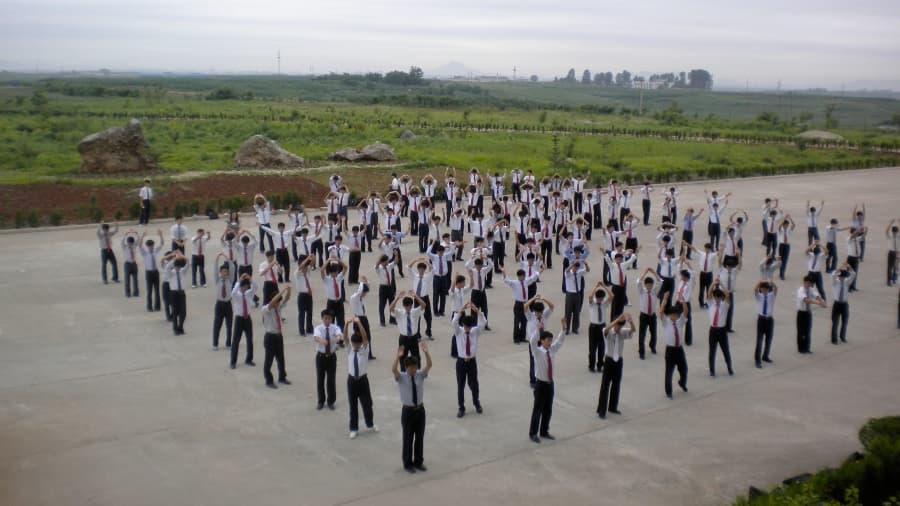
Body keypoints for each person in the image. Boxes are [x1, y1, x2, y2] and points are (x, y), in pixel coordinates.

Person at [393, 341, 432, 473]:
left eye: (415, 367)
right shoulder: (402, 377)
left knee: (419, 438)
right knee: (408, 438)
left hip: (420, 410)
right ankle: (407, 463)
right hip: (408, 411)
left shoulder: (420, 375)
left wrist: (426, 352)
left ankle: (418, 462)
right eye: (410, 368)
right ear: (406, 368)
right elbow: (393, 370)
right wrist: (398, 357)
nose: (413, 370)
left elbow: (429, 365)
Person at [528, 317, 567, 443]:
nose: (550, 342)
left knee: (548, 409)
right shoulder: (537, 352)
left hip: (550, 384)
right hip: (540, 384)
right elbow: (532, 342)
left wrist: (563, 328)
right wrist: (537, 331)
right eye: (548, 340)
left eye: (551, 340)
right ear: (542, 341)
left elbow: (560, 341)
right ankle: (533, 433)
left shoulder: (552, 350)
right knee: (537, 409)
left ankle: (544, 431)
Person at [451, 304, 486, 418]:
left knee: (474, 384)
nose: (467, 329)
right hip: (461, 362)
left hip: (471, 362)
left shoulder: (475, 331)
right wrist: (460, 311)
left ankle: (477, 403)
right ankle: (461, 407)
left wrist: (478, 312)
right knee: (460, 385)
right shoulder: (458, 331)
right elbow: (454, 322)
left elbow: (483, 323)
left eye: (469, 327)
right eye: (466, 326)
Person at [344, 318, 377, 439]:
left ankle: (370, 423)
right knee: (353, 406)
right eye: (354, 344)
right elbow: (345, 338)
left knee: (367, 403)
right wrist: (346, 324)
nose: (355, 345)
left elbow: (365, 336)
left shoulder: (364, 350)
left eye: (357, 343)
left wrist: (358, 323)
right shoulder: (350, 350)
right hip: (352, 380)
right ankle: (353, 428)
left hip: (363, 379)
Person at [597, 312, 633, 419]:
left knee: (616, 384)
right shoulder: (609, 332)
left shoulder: (622, 332)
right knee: (605, 386)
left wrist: (630, 322)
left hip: (619, 361)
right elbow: (606, 329)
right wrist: (616, 320)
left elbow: (633, 331)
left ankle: (613, 406)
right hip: (609, 360)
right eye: (618, 325)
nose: (619, 328)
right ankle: (601, 410)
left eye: (620, 326)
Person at [261, 285, 291, 388]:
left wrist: (288, 290)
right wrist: (282, 291)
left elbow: (286, 299)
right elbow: (273, 302)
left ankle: (282, 377)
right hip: (270, 336)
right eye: (277, 301)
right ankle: (269, 380)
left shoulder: (278, 307)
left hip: (278, 335)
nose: (278, 304)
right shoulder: (266, 309)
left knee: (280, 358)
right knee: (269, 360)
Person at [660, 293, 689, 399]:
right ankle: (669, 392)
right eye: (672, 315)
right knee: (669, 372)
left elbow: (686, 312)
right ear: (669, 315)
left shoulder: (679, 322)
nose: (674, 316)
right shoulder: (666, 322)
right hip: (670, 350)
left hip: (679, 349)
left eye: (676, 315)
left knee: (684, 369)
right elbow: (661, 312)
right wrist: (664, 299)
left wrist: (684, 301)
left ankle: (682, 382)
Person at [313, 309, 343, 410]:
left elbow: (339, 334)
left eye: (329, 318)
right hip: (321, 357)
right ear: (322, 318)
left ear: (331, 319)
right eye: (325, 318)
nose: (327, 320)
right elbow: (316, 337)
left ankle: (331, 401)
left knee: (331, 379)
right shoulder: (318, 328)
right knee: (320, 380)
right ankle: (321, 401)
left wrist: (338, 338)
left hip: (331, 357)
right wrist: (322, 340)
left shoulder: (334, 327)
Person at [503, 266, 541, 344]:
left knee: (524, 321)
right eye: (523, 276)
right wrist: (503, 272)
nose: (524, 277)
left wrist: (541, 270)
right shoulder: (514, 283)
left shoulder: (526, 281)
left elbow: (533, 278)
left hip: (525, 303)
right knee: (517, 321)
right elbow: (507, 281)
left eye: (524, 275)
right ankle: (516, 338)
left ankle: (522, 337)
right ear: (519, 276)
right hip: (518, 304)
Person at [230, 273, 257, 369]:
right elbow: (232, 293)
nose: (245, 288)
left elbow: (255, 287)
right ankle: (233, 361)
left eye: (246, 286)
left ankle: (249, 359)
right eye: (244, 286)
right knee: (236, 341)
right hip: (239, 318)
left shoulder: (249, 293)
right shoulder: (237, 295)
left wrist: (250, 279)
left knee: (249, 339)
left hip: (247, 318)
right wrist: (239, 281)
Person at [391, 291, 427, 360]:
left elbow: (424, 305)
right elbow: (391, 308)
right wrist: (397, 298)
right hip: (403, 338)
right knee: (402, 357)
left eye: (410, 306)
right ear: (404, 306)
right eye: (407, 306)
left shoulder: (415, 312)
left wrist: (416, 296)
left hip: (413, 337)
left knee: (416, 356)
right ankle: (403, 370)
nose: (408, 308)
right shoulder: (399, 313)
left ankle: (417, 369)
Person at [706, 282, 733, 377]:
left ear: (721, 298)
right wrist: (713, 283)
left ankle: (729, 367)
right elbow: (709, 293)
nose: (717, 299)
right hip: (713, 329)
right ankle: (712, 370)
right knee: (712, 351)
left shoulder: (724, 305)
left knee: (725, 350)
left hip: (722, 330)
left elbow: (727, 295)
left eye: (718, 297)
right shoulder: (711, 304)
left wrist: (721, 283)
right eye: (715, 297)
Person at [796, 275, 826, 354]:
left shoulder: (811, 289)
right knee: (801, 331)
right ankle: (801, 348)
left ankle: (807, 348)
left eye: (811, 283)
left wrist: (821, 301)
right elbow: (806, 300)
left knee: (808, 331)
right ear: (805, 282)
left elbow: (816, 295)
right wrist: (818, 303)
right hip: (801, 313)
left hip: (808, 312)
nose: (809, 285)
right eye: (808, 283)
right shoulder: (801, 290)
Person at [587, 282, 613, 372]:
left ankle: (600, 365)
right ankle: (591, 365)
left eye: (602, 299)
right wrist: (596, 286)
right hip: (593, 327)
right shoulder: (592, 303)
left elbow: (611, 296)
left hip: (602, 326)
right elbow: (590, 297)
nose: (600, 300)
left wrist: (604, 287)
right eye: (599, 298)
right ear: (596, 297)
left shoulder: (604, 303)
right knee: (592, 348)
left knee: (602, 348)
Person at [636, 269, 662, 359]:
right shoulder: (642, 291)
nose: (649, 287)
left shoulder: (654, 291)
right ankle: (641, 352)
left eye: (651, 285)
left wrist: (654, 273)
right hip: (644, 315)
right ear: (645, 285)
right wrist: (645, 272)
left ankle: (652, 346)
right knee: (642, 335)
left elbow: (660, 282)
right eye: (648, 285)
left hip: (652, 315)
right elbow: (639, 282)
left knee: (653, 333)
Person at [753, 279, 778, 368]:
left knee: (769, 339)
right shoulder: (759, 296)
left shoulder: (771, 296)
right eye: (763, 289)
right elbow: (755, 290)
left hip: (769, 319)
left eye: (766, 289)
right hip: (761, 319)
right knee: (759, 340)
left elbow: (776, 289)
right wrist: (760, 282)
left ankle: (765, 355)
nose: (764, 291)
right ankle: (757, 360)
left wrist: (771, 282)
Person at [349, 277, 375, 359]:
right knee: (359, 337)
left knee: (368, 336)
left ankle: (369, 353)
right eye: (364, 293)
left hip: (364, 318)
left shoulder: (361, 298)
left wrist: (366, 282)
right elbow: (360, 291)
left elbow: (367, 287)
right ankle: (359, 352)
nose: (365, 295)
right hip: (358, 319)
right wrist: (361, 284)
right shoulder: (354, 298)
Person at [408, 258, 435, 339]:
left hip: (425, 298)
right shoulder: (415, 276)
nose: (421, 271)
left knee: (428, 316)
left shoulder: (427, 277)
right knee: (417, 316)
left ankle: (428, 332)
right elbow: (409, 267)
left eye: (423, 269)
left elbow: (433, 269)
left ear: (424, 270)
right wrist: (416, 260)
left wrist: (425, 262)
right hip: (416, 298)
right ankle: (417, 334)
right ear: (418, 269)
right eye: (420, 269)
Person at [830, 263, 855, 345]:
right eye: (841, 276)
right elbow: (833, 274)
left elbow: (853, 274)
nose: (842, 278)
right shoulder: (835, 282)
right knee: (835, 322)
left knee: (844, 321)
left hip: (844, 304)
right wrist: (839, 269)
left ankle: (842, 336)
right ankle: (834, 339)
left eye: (843, 277)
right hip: (837, 304)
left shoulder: (846, 282)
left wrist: (849, 267)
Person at [139, 229, 163, 311]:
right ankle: (149, 307)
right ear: (147, 246)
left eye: (152, 246)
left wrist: (160, 235)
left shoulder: (155, 251)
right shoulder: (145, 252)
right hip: (148, 272)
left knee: (157, 290)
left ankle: (157, 306)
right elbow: (139, 246)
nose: (151, 247)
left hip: (155, 272)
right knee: (149, 291)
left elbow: (161, 244)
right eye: (150, 246)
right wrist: (142, 236)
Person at [212, 259, 233, 350]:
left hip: (228, 304)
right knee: (217, 325)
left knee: (229, 325)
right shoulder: (217, 280)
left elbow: (233, 268)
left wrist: (228, 260)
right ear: (220, 272)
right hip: (219, 304)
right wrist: (216, 259)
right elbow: (214, 270)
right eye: (223, 271)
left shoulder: (230, 280)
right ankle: (215, 344)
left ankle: (228, 343)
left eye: (226, 271)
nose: (225, 273)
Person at [166, 251, 189, 335]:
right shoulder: (171, 273)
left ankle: (180, 327)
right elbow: (167, 267)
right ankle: (176, 329)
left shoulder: (183, 271)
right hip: (174, 293)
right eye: (176, 267)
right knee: (175, 312)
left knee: (183, 312)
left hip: (181, 293)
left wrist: (182, 256)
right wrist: (174, 258)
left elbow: (188, 263)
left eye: (179, 267)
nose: (178, 269)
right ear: (174, 266)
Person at [293, 257, 315, 336]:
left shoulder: (307, 271)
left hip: (309, 294)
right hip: (302, 295)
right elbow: (301, 266)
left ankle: (309, 328)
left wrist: (312, 257)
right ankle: (301, 330)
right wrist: (307, 260)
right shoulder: (297, 273)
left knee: (310, 313)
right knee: (301, 313)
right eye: (305, 266)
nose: (306, 267)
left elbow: (312, 263)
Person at [121, 229, 140, 298]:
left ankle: (136, 292)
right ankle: (127, 293)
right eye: (129, 243)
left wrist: (136, 233)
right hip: (127, 264)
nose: (130, 244)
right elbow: (122, 241)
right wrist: (126, 234)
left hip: (134, 264)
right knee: (127, 280)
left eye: (131, 243)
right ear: (127, 242)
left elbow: (138, 239)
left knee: (135, 279)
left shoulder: (134, 246)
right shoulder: (124, 247)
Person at [887, 220, 899, 286]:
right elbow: (886, 231)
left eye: (896, 232)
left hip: (897, 252)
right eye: (895, 232)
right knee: (890, 267)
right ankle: (889, 281)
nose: (896, 233)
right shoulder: (890, 236)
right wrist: (890, 223)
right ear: (893, 232)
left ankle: (894, 279)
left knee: (896, 267)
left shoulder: (898, 237)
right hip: (891, 252)